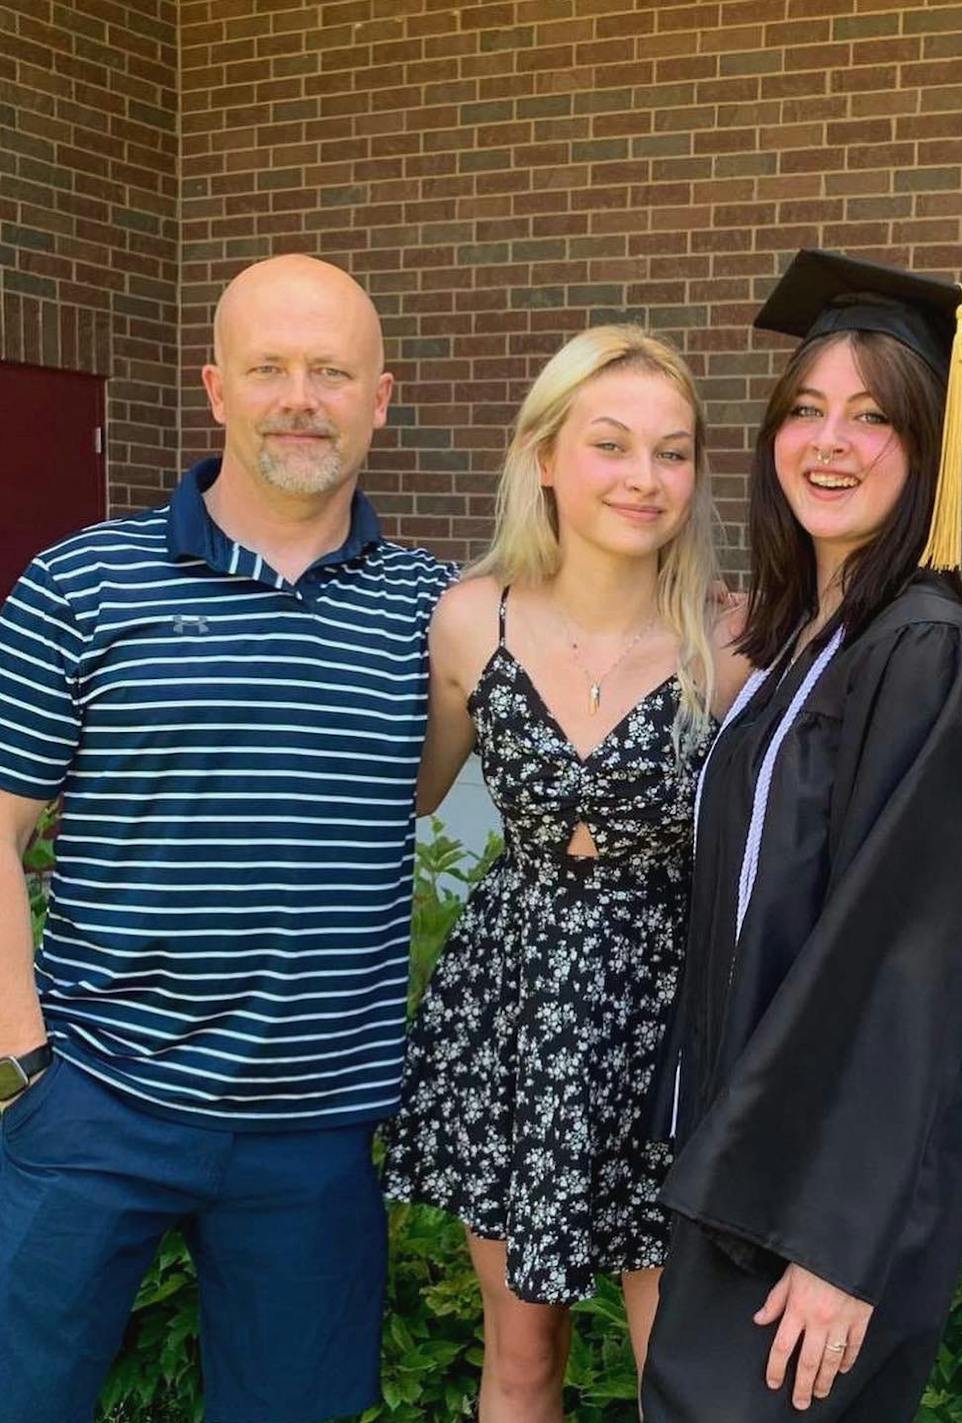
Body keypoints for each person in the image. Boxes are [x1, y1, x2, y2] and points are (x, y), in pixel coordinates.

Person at [0, 254, 456, 1423]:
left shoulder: (437, 611)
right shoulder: (82, 583)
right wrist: (21, 1069)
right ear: (215, 386)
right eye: (270, 368)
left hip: (312, 1133)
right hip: (93, 1098)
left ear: (381, 398)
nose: (301, 396)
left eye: (332, 372)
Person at [640, 250, 962, 1421]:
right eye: (806, 410)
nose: (831, 442)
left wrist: (836, 1243)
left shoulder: (919, 651)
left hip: (814, 1206)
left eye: (873, 418)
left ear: (926, 449)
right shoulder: (806, 642)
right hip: (750, 1158)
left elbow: (911, 969)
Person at [382, 325, 746, 1422]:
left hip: (669, 1009)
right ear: (543, 455)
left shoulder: (731, 637)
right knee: (521, 1355)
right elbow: (394, 801)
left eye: (671, 452)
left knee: (674, 1367)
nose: (645, 478)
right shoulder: (469, 618)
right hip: (513, 1006)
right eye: (611, 444)